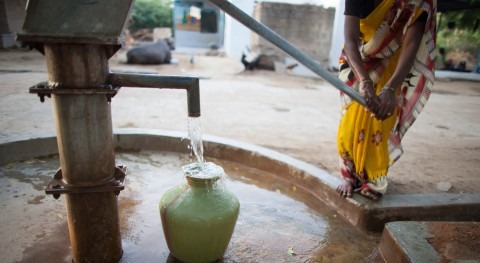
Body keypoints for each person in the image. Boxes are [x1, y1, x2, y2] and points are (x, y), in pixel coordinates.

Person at [336, 0, 437, 200]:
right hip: (359, 60)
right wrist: (364, 81)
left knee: (379, 119)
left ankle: (374, 178)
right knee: (350, 120)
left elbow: (411, 44)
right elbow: (350, 40)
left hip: (394, 66)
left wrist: (391, 88)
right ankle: (348, 175)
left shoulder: (417, 2)